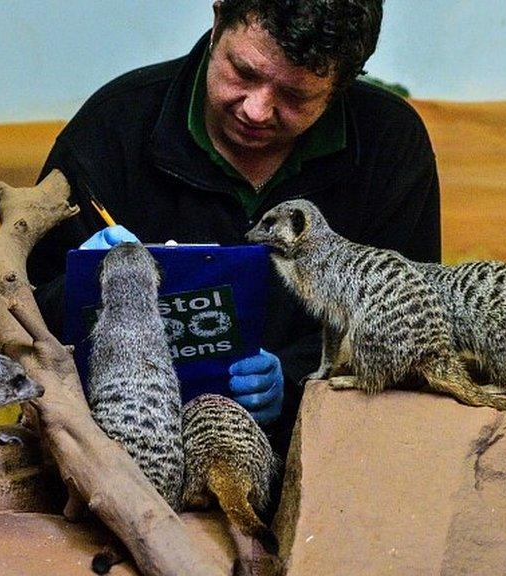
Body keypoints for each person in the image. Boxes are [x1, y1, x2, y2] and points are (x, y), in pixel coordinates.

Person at [27, 0, 441, 459]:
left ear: (343, 83)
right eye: (244, 73)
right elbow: (26, 321)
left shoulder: (391, 144)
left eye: (296, 97)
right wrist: (83, 282)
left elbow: (412, 327)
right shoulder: (115, 124)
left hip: (327, 458)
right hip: (124, 451)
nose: (258, 110)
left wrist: (297, 377)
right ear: (218, 18)